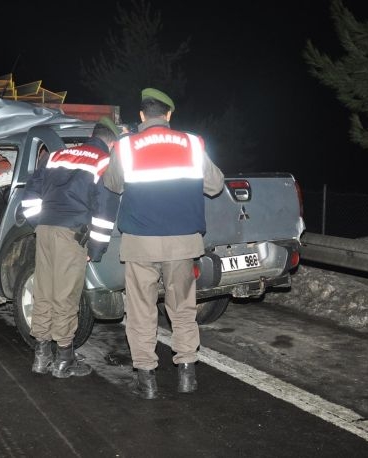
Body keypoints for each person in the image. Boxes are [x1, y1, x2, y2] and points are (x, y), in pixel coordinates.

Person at [103, 88, 225, 399]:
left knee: (141, 309)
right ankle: (186, 374)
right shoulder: (193, 143)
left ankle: (146, 380)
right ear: (169, 115)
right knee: (182, 307)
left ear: (143, 115)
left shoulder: (126, 145)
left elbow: (113, 184)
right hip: (182, 241)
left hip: (140, 242)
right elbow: (215, 185)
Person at [20, 118, 120, 378]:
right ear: (111, 142)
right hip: (71, 235)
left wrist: (38, 222)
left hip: (44, 231)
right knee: (66, 296)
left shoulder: (56, 155)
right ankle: (64, 359)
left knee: (43, 289)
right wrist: (95, 248)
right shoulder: (103, 161)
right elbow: (104, 213)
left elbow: (30, 195)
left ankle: (41, 357)